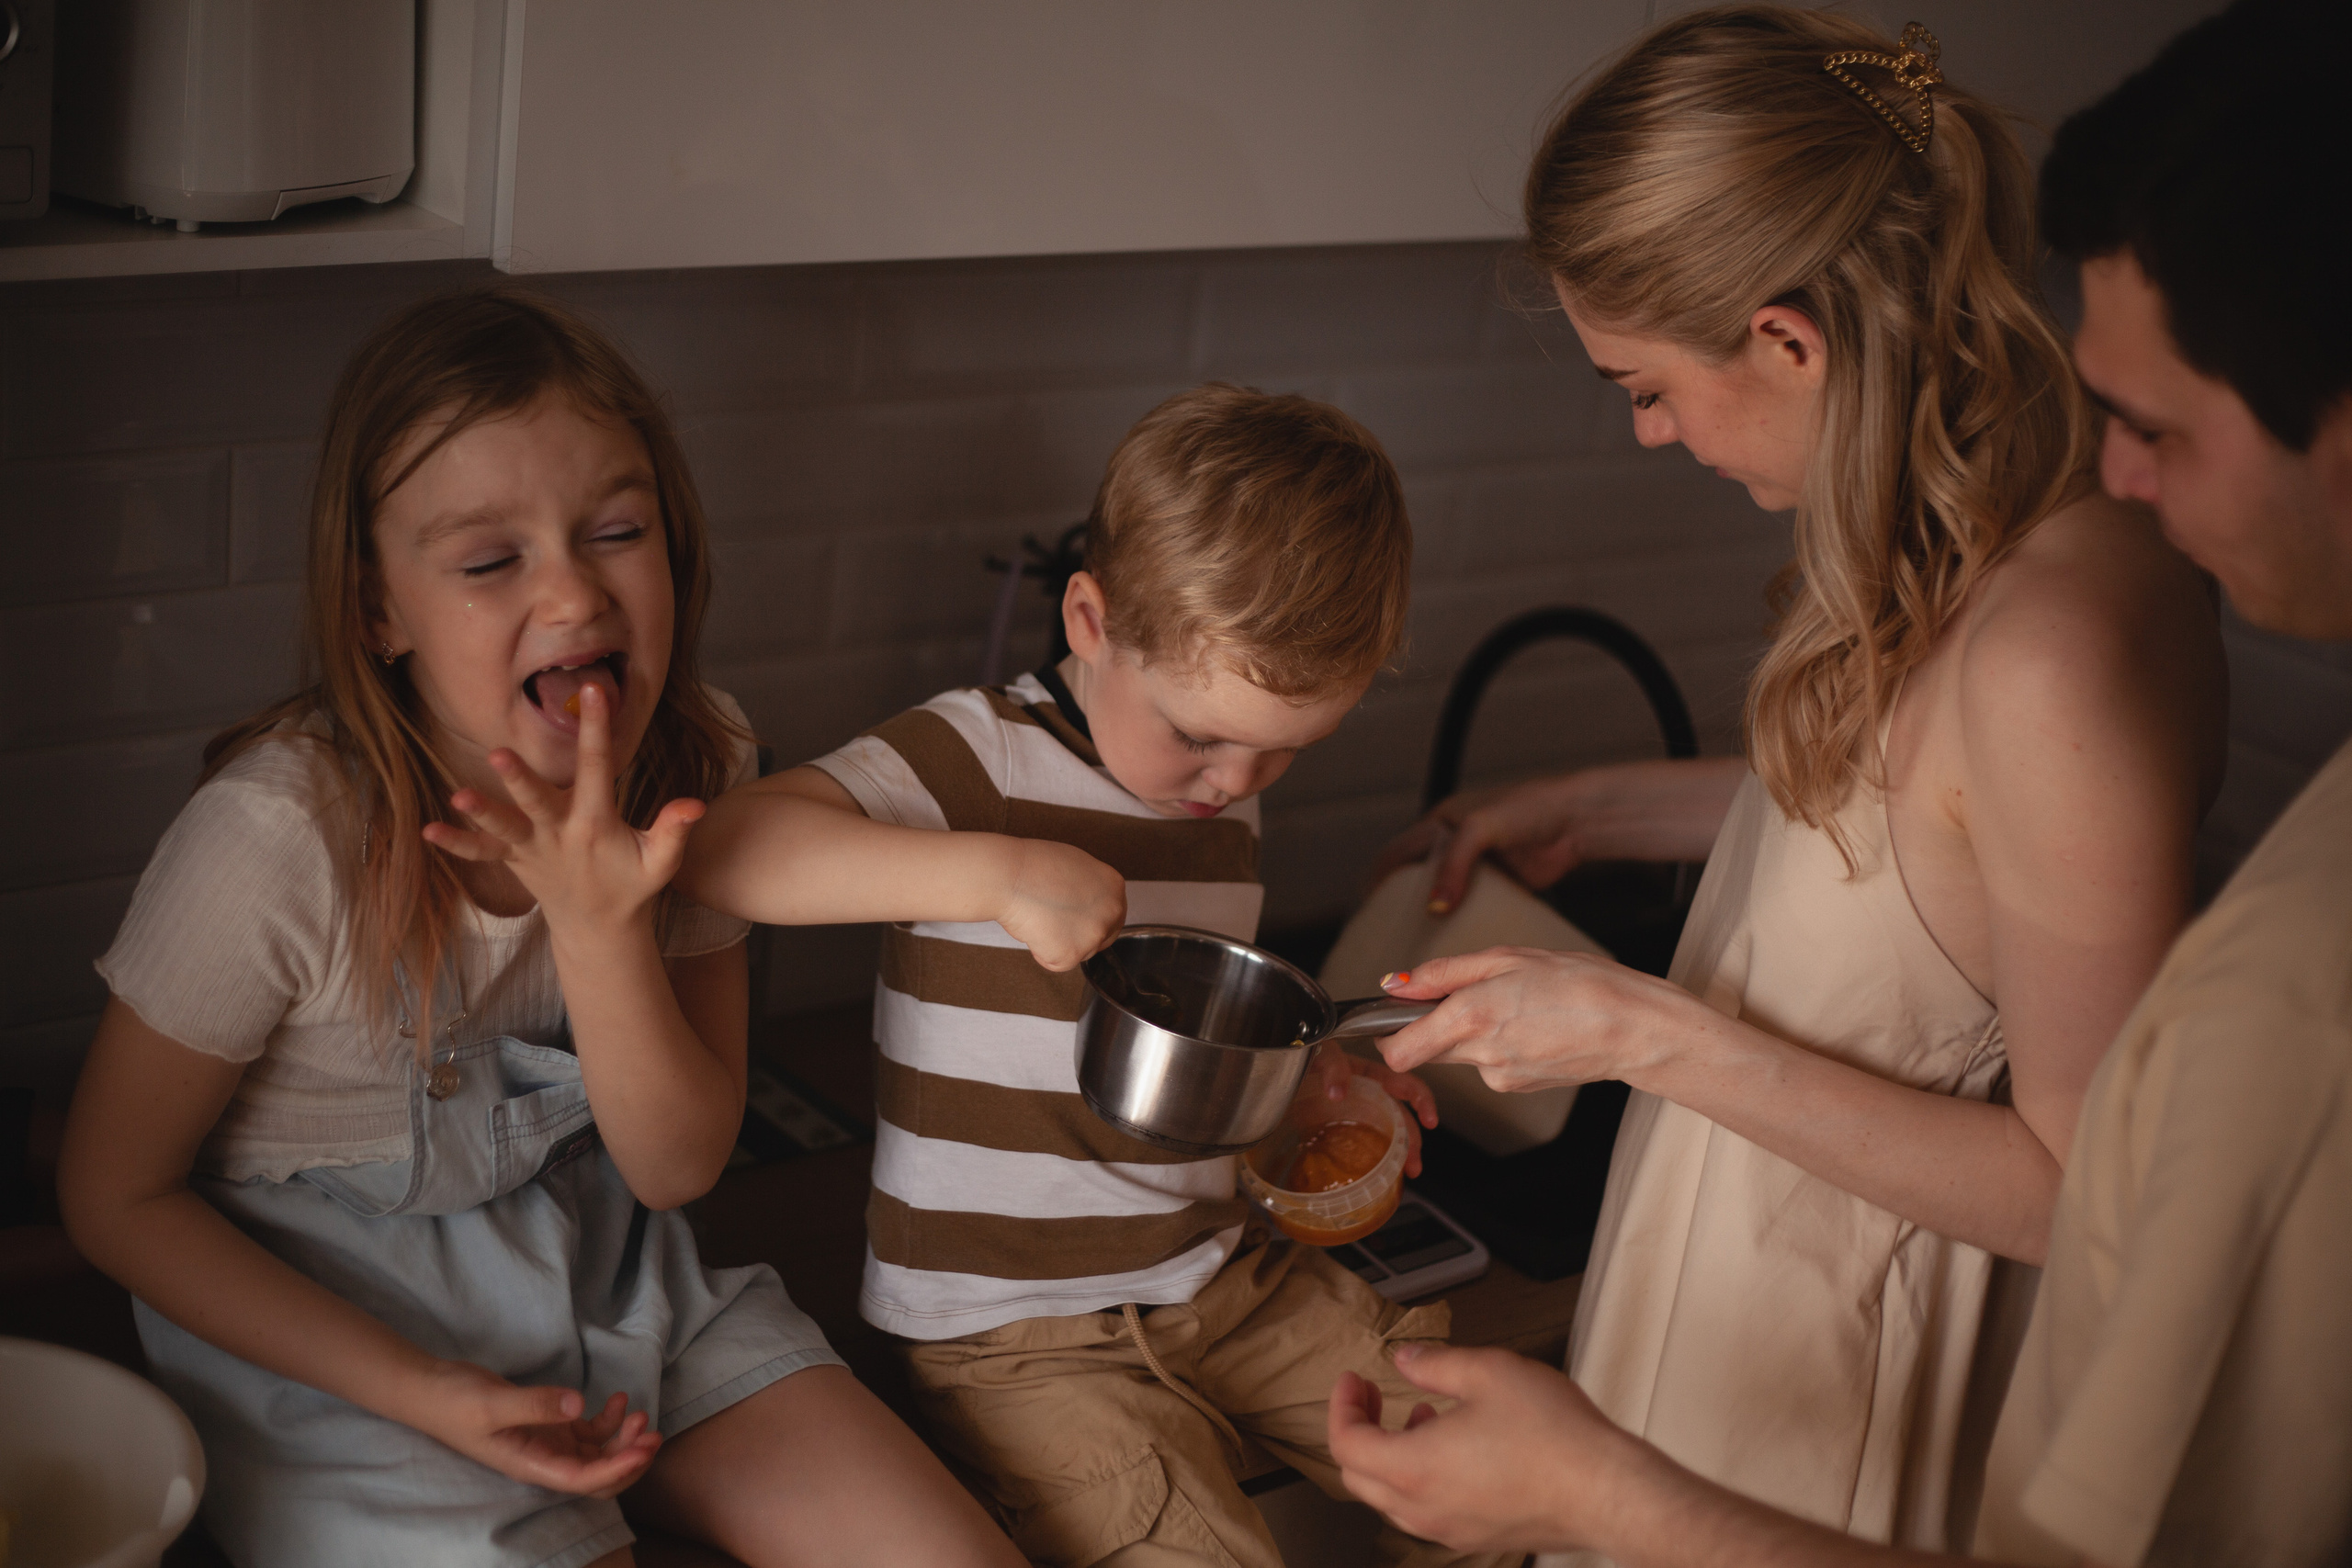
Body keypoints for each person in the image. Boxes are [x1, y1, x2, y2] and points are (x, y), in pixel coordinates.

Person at [1328, 0, 2352, 1562]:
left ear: (1790, 340)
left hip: (1844, 1416)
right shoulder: (1976, 508)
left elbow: (2081, 1190)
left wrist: (1639, 1035)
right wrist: (1593, 806)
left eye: (1645, 387)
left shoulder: (2056, 645)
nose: (1653, 433)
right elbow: (1920, 849)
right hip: (1730, 1333)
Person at [55, 288, 1023, 1568]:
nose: (574, 593)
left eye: (616, 531)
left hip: (616, 1277)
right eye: (490, 560)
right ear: (376, 615)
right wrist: (423, 1393)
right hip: (340, 1352)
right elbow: (113, 1194)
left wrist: (601, 923)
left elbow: (676, 1166)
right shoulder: (278, 844)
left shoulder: (693, 765)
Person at [676, 384, 1513, 1568]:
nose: (1233, 780)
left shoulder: (1222, 796)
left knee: (1495, 1471)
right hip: (1017, 1336)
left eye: (1281, 748)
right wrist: (993, 875)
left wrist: (1310, 1082)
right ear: (1089, 617)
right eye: (1200, 734)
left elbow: (1205, 1044)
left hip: (1220, 1277)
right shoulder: (977, 756)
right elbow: (723, 853)